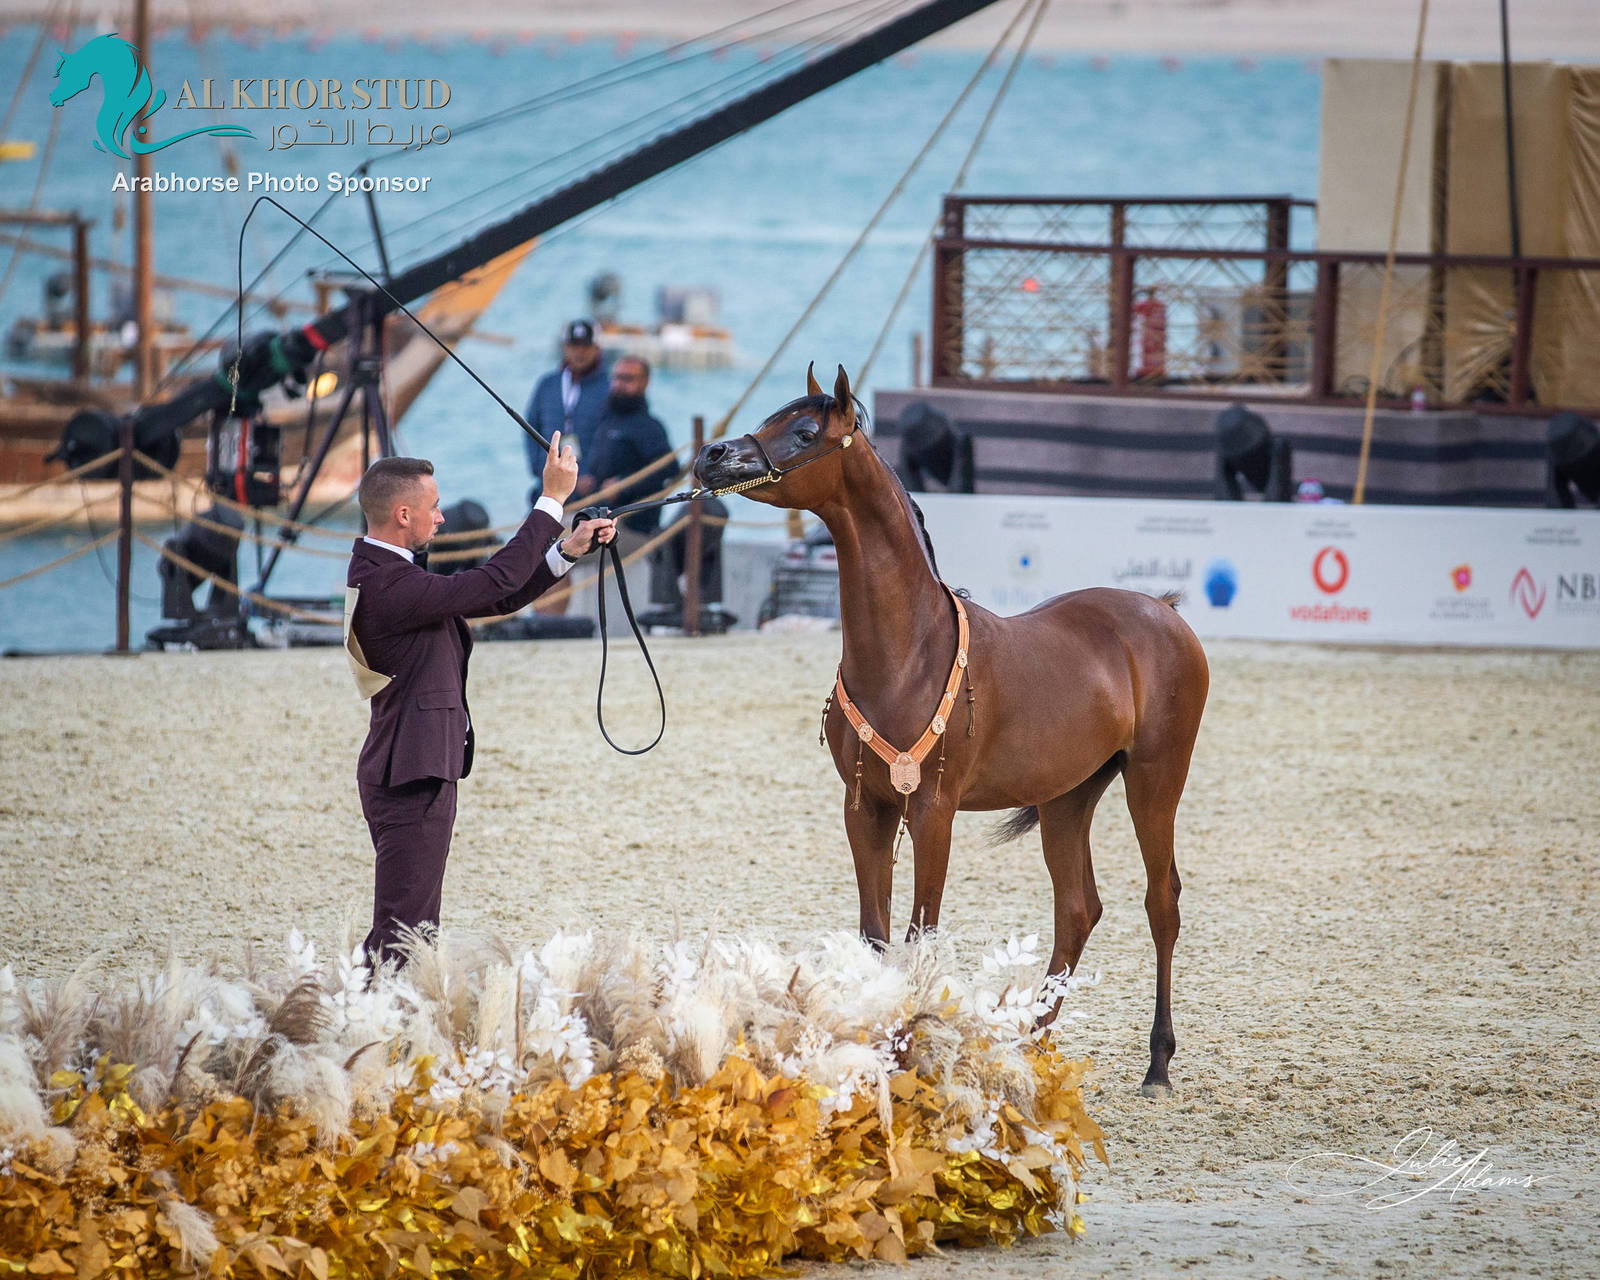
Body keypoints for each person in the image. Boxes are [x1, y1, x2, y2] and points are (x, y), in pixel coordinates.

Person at [342, 437, 616, 969]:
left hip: (417, 766)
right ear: (403, 515)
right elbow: (492, 579)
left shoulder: (391, 575)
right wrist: (550, 503)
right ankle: (374, 1025)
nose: (442, 518)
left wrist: (566, 551)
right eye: (433, 507)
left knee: (410, 926)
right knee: (405, 930)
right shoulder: (386, 585)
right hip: (410, 772)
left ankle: (377, 1018)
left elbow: (492, 595)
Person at [572, 356, 675, 632]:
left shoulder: (649, 427)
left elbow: (668, 469)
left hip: (631, 528)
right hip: (597, 518)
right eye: (616, 378)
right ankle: (548, 625)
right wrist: (589, 481)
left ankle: (549, 626)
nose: (619, 385)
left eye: (627, 379)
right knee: (544, 544)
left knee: (555, 550)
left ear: (644, 383)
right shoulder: (607, 422)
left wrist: (624, 485)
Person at [523, 319, 609, 492]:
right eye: (574, 346)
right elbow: (531, 425)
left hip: (589, 488)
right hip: (548, 481)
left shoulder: (608, 388)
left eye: (586, 346)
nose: (579, 352)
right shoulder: (548, 384)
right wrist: (538, 466)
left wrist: (597, 476)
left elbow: (612, 437)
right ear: (564, 348)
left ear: (597, 349)